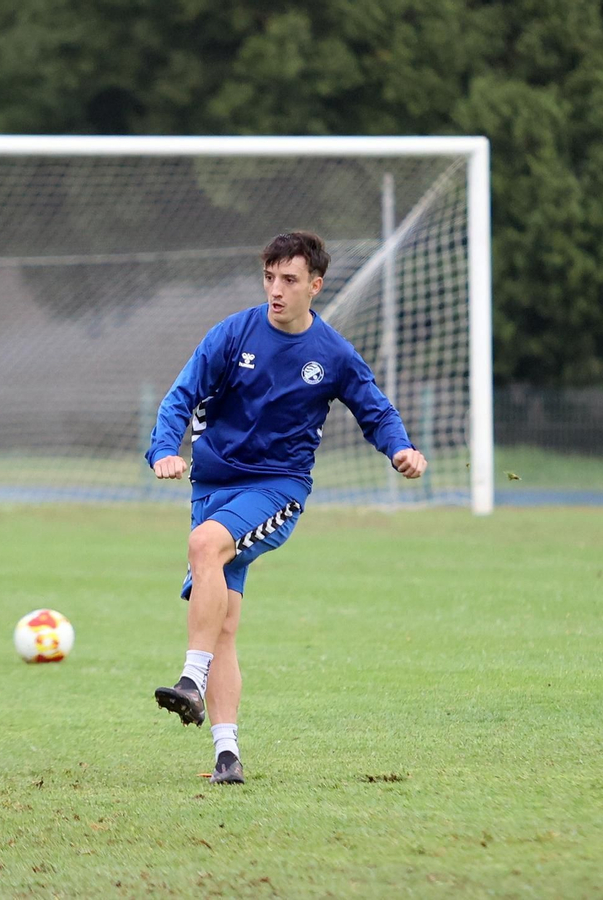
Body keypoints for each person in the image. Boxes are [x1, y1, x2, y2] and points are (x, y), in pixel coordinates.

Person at [145, 232, 427, 785]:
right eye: (269, 278)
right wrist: (163, 450)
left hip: (277, 490)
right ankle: (227, 755)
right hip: (213, 489)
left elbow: (376, 409)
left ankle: (190, 680)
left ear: (315, 286)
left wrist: (401, 448)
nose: (276, 290)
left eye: (290, 280)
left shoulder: (333, 354)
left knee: (204, 546)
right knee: (223, 622)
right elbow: (180, 396)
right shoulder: (232, 334)